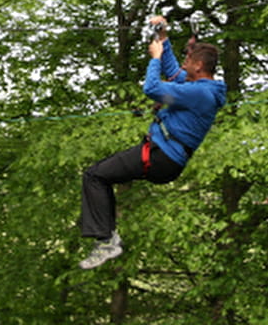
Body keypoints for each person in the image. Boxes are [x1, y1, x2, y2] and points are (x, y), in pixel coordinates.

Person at [79, 15, 227, 270]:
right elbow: (174, 72)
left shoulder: (199, 93)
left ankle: (107, 240)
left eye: (188, 61)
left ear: (199, 66)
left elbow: (152, 88)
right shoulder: (200, 87)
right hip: (163, 157)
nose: (184, 64)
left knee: (94, 176)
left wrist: (155, 58)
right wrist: (163, 35)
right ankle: (107, 237)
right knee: (100, 175)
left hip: (161, 158)